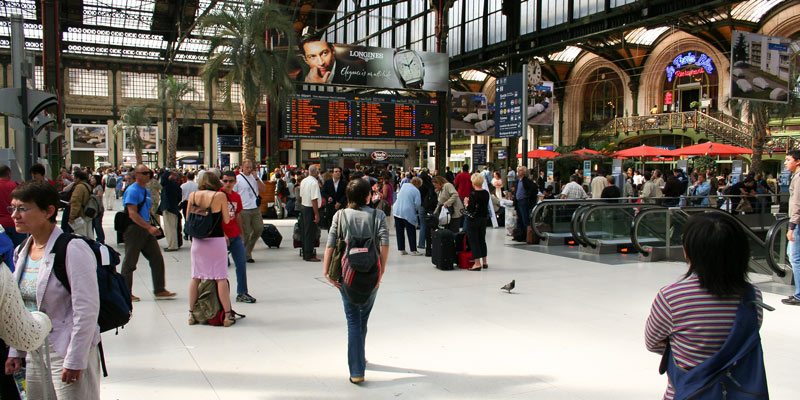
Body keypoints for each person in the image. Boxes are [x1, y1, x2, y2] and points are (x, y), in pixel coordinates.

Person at [645, 213, 766, 399]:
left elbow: (652, 342)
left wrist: (684, 350)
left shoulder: (671, 297)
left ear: (690, 250)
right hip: (736, 392)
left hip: (687, 391)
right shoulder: (752, 296)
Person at [4, 181, 102, 399]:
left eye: (23, 208)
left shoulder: (73, 248)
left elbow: (86, 310)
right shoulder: (22, 250)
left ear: (48, 211)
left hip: (66, 348)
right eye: (13, 208)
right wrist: (16, 350)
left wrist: (76, 358)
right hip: (34, 350)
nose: (14, 215)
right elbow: (21, 308)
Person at [322, 178, 389, 384]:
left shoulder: (340, 215)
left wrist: (326, 271)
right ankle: (360, 358)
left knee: (353, 320)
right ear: (367, 195)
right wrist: (381, 272)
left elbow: (330, 245)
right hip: (371, 274)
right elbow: (385, 244)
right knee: (363, 318)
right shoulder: (378, 215)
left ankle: (357, 370)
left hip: (346, 274)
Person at [120, 164, 177, 302]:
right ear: (137, 174)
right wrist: (149, 227)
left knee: (156, 259)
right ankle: (125, 292)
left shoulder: (145, 191)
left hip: (145, 228)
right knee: (130, 262)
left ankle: (160, 289)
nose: (148, 175)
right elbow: (132, 213)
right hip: (135, 229)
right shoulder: (133, 190)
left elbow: (146, 208)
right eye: (145, 173)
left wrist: (150, 221)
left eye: (149, 173)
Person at [187, 172, 237, 327]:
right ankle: (227, 315)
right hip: (215, 241)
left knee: (196, 276)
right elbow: (226, 219)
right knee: (220, 277)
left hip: (198, 242)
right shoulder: (219, 196)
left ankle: (191, 314)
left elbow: (188, 216)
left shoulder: (193, 195)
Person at [220, 171, 256, 304]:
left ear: (235, 182)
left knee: (241, 263)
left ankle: (242, 292)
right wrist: (222, 234)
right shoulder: (218, 195)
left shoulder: (236, 197)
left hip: (235, 235)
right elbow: (216, 217)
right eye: (225, 181)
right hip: (222, 237)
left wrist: (241, 233)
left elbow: (238, 215)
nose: (228, 184)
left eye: (230, 181)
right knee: (220, 268)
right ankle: (218, 294)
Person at [233, 160, 265, 263]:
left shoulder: (255, 178)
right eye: (247, 167)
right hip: (244, 209)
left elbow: (263, 189)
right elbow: (233, 194)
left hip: (255, 208)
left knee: (258, 228)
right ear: (242, 167)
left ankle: (248, 250)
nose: (249, 169)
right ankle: (245, 254)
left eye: (250, 167)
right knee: (246, 233)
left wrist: (256, 178)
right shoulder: (238, 179)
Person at [300, 37, 367, 85]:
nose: (321, 63)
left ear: (333, 50)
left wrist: (318, 88)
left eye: (324, 53)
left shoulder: (356, 70)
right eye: (312, 56)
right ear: (305, 59)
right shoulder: (301, 77)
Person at [464, 173, 490, 271]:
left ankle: (477, 263)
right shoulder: (486, 193)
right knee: (482, 239)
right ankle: (485, 261)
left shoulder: (473, 194)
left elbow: (470, 209)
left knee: (474, 240)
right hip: (483, 219)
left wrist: (466, 203)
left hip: (473, 220)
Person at [784, 150, 800, 306]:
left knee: (795, 257)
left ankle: (799, 294)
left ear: (798, 161)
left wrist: (792, 226)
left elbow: (797, 203)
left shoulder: (798, 178)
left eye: (788, 159)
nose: (785, 162)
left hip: (798, 223)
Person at [392, 177, 422, 256]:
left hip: (397, 211)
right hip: (407, 212)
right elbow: (417, 204)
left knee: (400, 231)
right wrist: (415, 210)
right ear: (418, 184)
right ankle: (413, 250)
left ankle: (402, 249)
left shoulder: (404, 186)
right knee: (411, 231)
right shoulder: (416, 191)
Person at [300, 165, 322, 262]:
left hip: (304, 206)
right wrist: (316, 213)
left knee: (306, 231)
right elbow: (314, 199)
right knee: (310, 232)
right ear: (316, 173)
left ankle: (306, 252)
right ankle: (309, 254)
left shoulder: (304, 181)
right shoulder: (314, 183)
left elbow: (301, 195)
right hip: (310, 208)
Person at [0, 164, 25, 248]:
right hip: (18, 223)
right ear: (9, 174)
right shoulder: (18, 186)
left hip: (1, 226)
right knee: (20, 251)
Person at [68, 170, 94, 239]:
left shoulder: (79, 187)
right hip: (88, 213)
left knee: (81, 236)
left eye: (74, 178)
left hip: (81, 215)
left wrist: (72, 216)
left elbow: (75, 202)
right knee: (89, 236)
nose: (74, 179)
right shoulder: (88, 186)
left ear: (78, 178)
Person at [160, 170, 183, 252]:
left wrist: (167, 171)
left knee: (169, 228)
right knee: (173, 227)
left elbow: (163, 180)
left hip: (169, 207)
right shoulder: (176, 185)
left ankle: (172, 245)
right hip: (173, 207)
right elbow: (179, 197)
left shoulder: (169, 184)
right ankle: (174, 244)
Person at [514, 166, 538, 231]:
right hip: (518, 201)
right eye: (518, 170)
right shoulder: (518, 181)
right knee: (520, 219)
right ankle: (520, 233)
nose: (518, 171)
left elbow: (533, 189)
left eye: (521, 170)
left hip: (523, 201)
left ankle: (527, 234)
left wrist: (527, 196)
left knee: (525, 218)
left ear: (524, 172)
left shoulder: (526, 181)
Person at [90, 175, 105, 243]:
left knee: (97, 224)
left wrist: (91, 196)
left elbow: (99, 196)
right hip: (94, 208)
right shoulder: (93, 187)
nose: (91, 179)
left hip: (99, 208)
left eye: (93, 178)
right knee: (93, 224)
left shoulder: (99, 187)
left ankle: (101, 238)